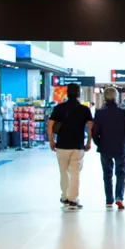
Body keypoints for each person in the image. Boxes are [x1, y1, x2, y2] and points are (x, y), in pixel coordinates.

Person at [47, 83, 94, 211]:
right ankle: (73, 200)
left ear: (67, 93)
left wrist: (51, 140)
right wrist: (89, 141)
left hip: (62, 145)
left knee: (63, 172)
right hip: (77, 145)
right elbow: (90, 126)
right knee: (75, 173)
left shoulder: (59, 108)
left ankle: (65, 197)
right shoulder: (84, 110)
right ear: (79, 94)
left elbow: (50, 124)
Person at [92, 87, 125, 210]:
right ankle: (119, 197)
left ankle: (109, 200)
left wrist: (99, 143)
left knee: (107, 173)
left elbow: (95, 132)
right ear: (116, 97)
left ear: (104, 97)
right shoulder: (124, 113)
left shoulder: (99, 113)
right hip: (121, 146)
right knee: (120, 172)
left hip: (105, 147)